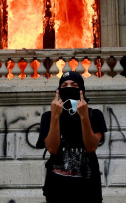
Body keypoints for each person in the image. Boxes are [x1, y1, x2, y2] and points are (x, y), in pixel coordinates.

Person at [36, 71, 107, 203]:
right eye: (64, 85)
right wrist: (55, 116)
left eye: (74, 85)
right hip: (57, 189)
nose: (69, 88)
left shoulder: (95, 115)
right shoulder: (48, 117)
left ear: (82, 90)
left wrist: (84, 116)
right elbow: (52, 148)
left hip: (88, 189)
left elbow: (91, 147)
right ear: (58, 90)